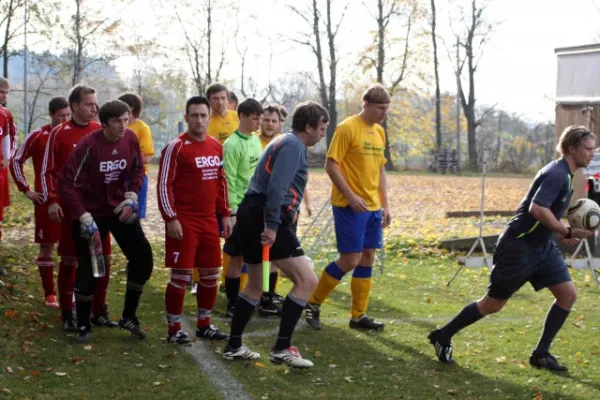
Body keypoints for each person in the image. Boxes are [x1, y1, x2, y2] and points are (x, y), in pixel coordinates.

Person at [428, 125, 596, 371]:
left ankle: (541, 354)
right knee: (492, 305)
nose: (592, 153)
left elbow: (545, 213)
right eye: (588, 148)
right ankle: (443, 335)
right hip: (518, 247)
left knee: (567, 294)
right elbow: (536, 209)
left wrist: (558, 232)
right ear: (571, 147)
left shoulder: (567, 174)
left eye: (594, 149)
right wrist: (566, 231)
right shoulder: (557, 174)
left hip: (543, 247)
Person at [222, 101, 329, 369]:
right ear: (309, 127)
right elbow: (277, 187)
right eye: (322, 128)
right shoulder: (293, 145)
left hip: (251, 212)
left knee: (255, 285)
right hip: (264, 216)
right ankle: (282, 347)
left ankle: (234, 345)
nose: (323, 133)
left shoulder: (285, 140)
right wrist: (271, 224)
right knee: (307, 280)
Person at [58, 100, 153, 343]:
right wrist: (82, 216)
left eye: (126, 119)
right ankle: (83, 324)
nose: (123, 125)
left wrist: (132, 194)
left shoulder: (130, 138)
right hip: (91, 214)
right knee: (91, 269)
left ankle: (128, 316)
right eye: (117, 121)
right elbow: (66, 184)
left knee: (143, 258)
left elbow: (138, 169)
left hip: (119, 209)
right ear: (104, 123)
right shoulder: (88, 145)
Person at [305, 84, 392, 331]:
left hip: (373, 207)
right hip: (348, 206)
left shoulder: (379, 132)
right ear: (366, 105)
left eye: (386, 108)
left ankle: (358, 316)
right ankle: (312, 303)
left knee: (367, 258)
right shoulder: (347, 128)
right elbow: (331, 165)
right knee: (350, 259)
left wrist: (385, 205)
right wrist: (351, 196)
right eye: (379, 108)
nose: (383, 113)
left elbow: (380, 169)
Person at [158, 96, 233, 344]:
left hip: (209, 221)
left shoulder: (215, 146)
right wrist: (171, 218)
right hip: (184, 221)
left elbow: (221, 182)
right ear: (186, 118)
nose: (199, 120)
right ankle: (174, 328)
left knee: (211, 273)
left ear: (209, 118)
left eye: (203, 115)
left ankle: (204, 324)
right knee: (181, 276)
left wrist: (225, 214)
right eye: (194, 115)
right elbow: (163, 186)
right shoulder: (175, 148)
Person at [41, 84, 114, 332]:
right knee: (71, 261)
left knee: (102, 258)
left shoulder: (100, 130)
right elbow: (47, 171)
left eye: (95, 103)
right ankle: (67, 312)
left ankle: (98, 310)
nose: (94, 108)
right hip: (71, 209)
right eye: (89, 104)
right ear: (74, 106)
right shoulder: (59, 133)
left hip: (99, 210)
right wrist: (51, 200)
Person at [10, 97, 70, 307]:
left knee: (71, 248)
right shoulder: (38, 136)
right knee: (47, 247)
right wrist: (26, 190)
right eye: (60, 115)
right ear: (51, 115)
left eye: (67, 115)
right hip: (46, 200)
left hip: (71, 200)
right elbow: (16, 160)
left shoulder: (73, 133)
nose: (64, 119)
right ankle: (49, 294)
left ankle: (68, 292)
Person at [222, 99, 263, 317]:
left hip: (256, 207)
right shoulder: (231, 145)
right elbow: (227, 179)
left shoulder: (256, 141)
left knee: (256, 257)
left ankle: (255, 297)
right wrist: (232, 210)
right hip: (239, 209)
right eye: (255, 118)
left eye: (260, 118)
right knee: (236, 258)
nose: (259, 123)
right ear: (244, 116)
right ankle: (231, 303)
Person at [200, 83, 240, 294]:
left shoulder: (236, 117)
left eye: (223, 98)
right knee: (208, 234)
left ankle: (227, 280)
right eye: (215, 98)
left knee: (230, 235)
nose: (220, 102)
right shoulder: (206, 121)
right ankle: (199, 280)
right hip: (210, 182)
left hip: (233, 183)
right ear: (209, 100)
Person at [118, 93, 155, 220]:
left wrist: (124, 159)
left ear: (132, 108)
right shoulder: (114, 125)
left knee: (134, 216)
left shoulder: (142, 128)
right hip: (117, 175)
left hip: (136, 177)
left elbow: (146, 158)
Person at [0, 77, 17, 240]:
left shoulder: (5, 114)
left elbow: (9, 137)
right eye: (1, 92)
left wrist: (7, 157)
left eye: (6, 93)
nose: (4, 96)